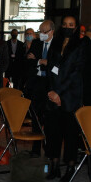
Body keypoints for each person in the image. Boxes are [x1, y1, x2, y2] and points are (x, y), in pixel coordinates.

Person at [44, 15, 85, 182]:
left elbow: (75, 74)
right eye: (65, 24)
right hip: (53, 95)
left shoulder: (80, 46)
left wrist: (59, 93)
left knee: (70, 134)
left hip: (70, 96)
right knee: (53, 132)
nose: (68, 27)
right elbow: (50, 69)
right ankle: (53, 166)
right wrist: (52, 92)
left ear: (75, 28)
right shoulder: (55, 43)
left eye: (71, 25)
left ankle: (70, 167)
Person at [24, 20, 55, 156]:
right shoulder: (36, 43)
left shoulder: (57, 45)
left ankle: (49, 149)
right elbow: (29, 61)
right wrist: (41, 61)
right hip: (36, 84)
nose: (41, 34)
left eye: (44, 32)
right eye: (40, 31)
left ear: (52, 31)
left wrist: (42, 62)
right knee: (36, 118)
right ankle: (35, 149)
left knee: (49, 119)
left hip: (50, 85)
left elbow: (55, 64)